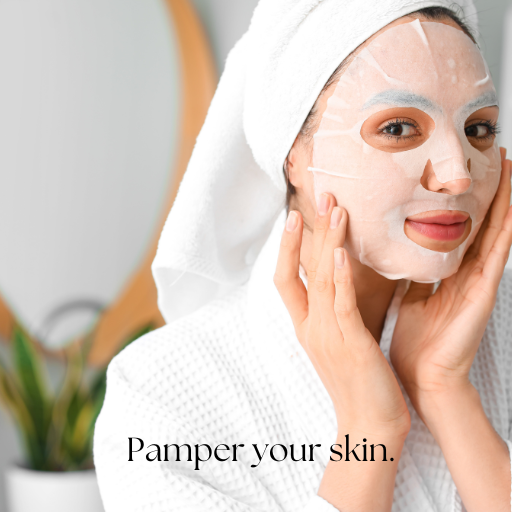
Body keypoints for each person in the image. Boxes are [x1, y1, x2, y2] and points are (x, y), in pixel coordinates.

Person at [94, 1, 512, 511]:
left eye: (479, 130)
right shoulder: (158, 395)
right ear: (294, 153)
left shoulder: (504, 326)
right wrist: (369, 429)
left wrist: (447, 393)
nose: (459, 174)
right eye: (399, 128)